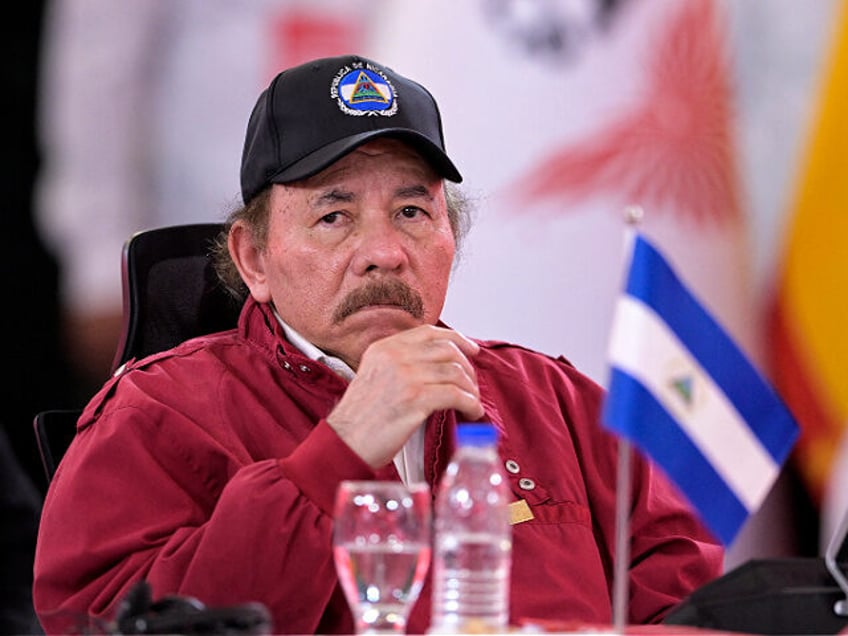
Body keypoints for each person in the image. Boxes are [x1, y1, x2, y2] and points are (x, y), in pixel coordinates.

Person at [33, 54, 722, 634]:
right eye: (334, 215)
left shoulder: (556, 403)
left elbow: (689, 601)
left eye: (413, 212)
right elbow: (109, 623)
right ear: (255, 260)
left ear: (452, 241)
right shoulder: (156, 417)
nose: (385, 253)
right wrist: (340, 450)